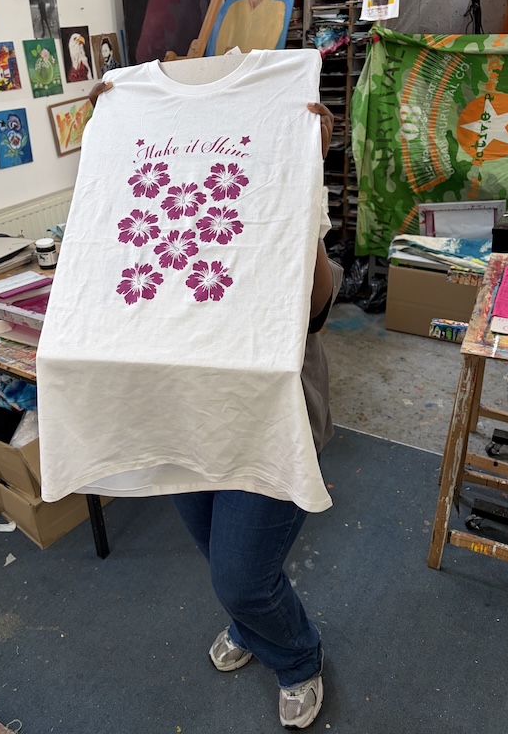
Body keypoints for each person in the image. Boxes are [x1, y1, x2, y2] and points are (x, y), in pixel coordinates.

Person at [89, 76, 336, 729]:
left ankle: (298, 657)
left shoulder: (279, 176)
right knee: (220, 554)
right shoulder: (157, 186)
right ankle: (254, 627)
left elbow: (315, 309)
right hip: (186, 410)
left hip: (270, 417)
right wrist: (108, 141)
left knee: (240, 577)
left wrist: (304, 178)